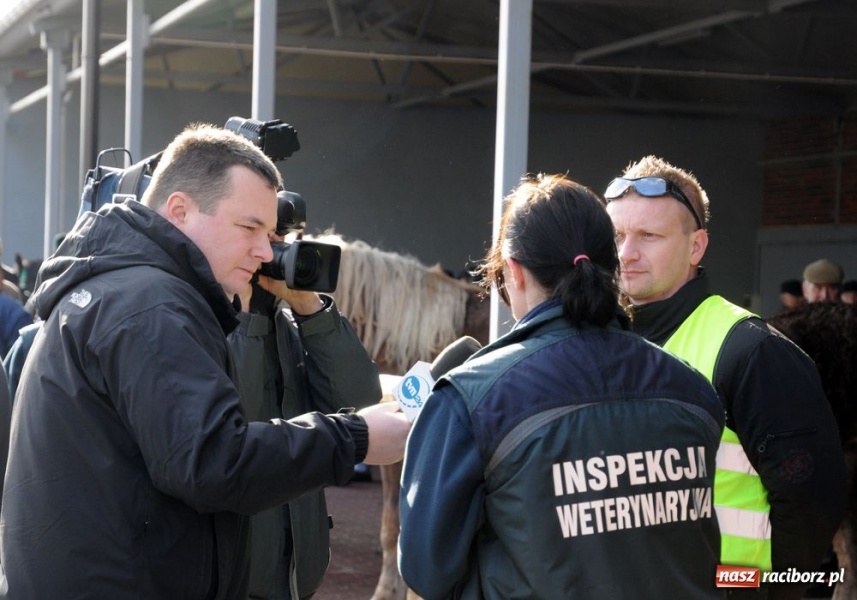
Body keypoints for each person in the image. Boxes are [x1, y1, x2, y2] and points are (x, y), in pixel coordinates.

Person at [0, 123, 410, 599]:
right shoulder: (151, 305)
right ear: (180, 210)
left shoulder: (121, 288)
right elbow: (213, 462)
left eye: (272, 235)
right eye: (249, 228)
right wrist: (355, 438)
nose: (265, 252)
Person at [399, 173, 725, 599]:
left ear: (514, 271)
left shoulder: (473, 399)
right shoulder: (694, 390)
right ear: (611, 265)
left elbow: (425, 571)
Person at [604, 155, 846, 599]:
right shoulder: (600, 343)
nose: (626, 253)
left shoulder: (752, 351)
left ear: (696, 247)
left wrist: (758, 591)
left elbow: (812, 505)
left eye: (648, 236)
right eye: (617, 236)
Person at [229, 250, 381, 600]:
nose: (269, 252)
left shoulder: (289, 322)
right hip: (234, 577)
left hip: (298, 577)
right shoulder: (194, 317)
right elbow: (234, 423)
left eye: (279, 237)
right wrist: (244, 316)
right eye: (253, 230)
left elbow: (357, 401)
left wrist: (311, 309)